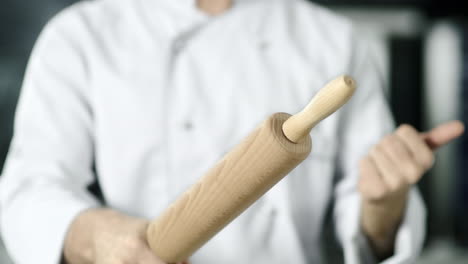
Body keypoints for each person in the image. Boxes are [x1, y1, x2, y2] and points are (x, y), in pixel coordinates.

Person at [0, 0, 464, 263]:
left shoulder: (332, 39)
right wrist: (95, 234)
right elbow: (30, 188)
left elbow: (370, 235)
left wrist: (383, 204)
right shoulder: (82, 35)